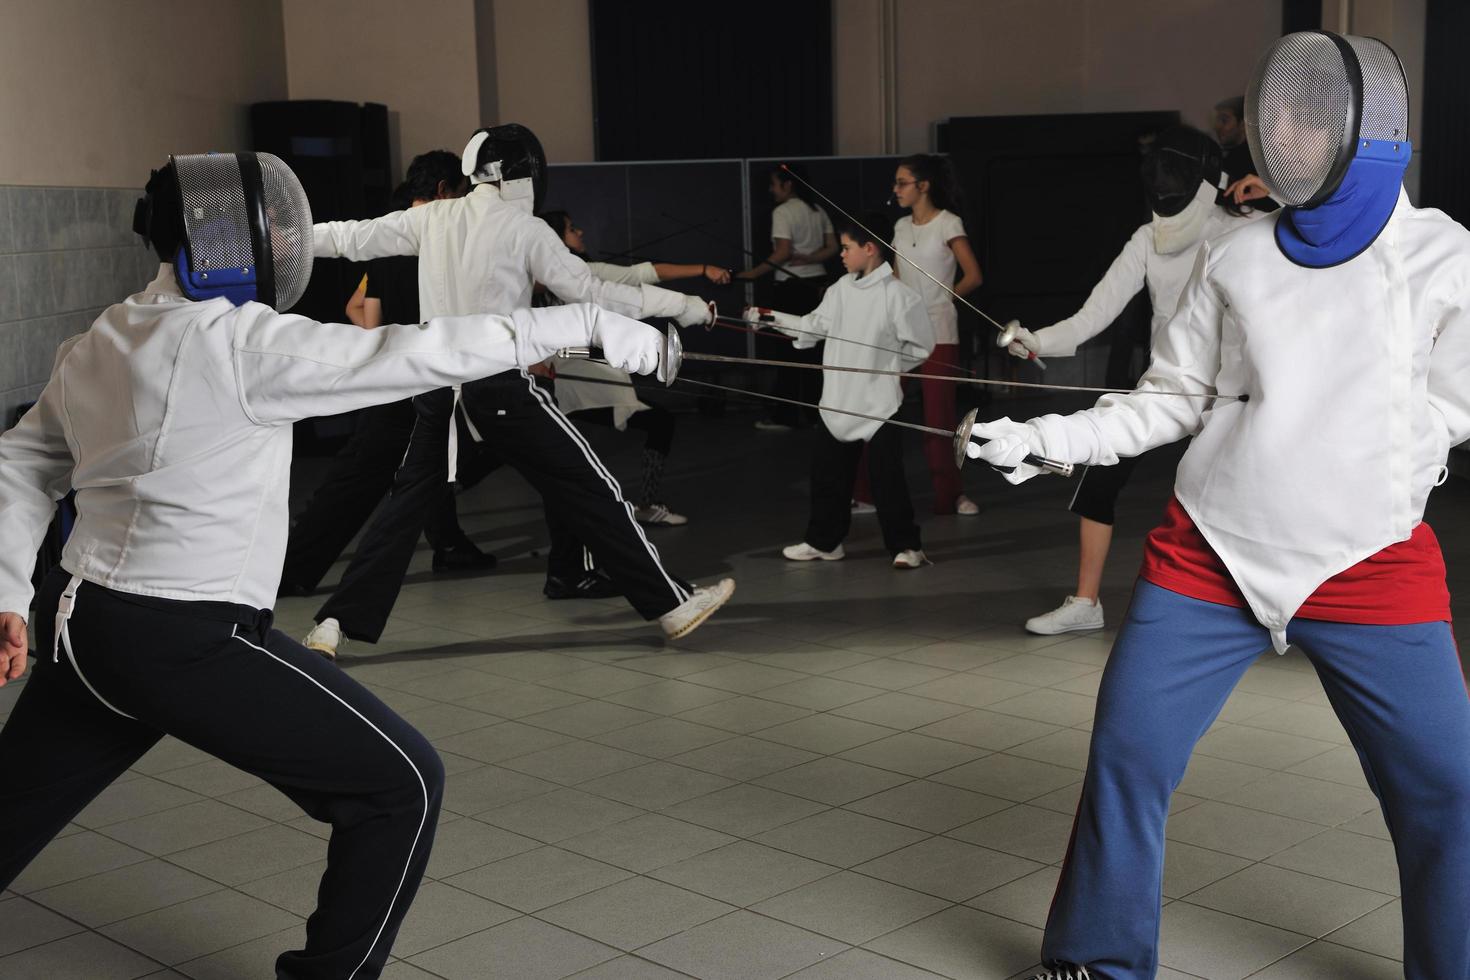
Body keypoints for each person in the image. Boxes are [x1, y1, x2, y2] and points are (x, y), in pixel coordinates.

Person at [0, 153, 668, 979]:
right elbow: (412, 352)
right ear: (232, 244)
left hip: (83, 625)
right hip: (184, 639)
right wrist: (583, 325)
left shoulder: (102, 336)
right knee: (402, 786)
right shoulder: (236, 343)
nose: (288, 240)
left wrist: (6, 594)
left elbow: (20, 461)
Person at [966, 34, 1470, 980]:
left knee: (1449, 788)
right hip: (1213, 552)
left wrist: (1387, 464)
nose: (1284, 133)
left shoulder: (1447, 257)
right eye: (1279, 116)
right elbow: (1171, 396)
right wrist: (1045, 439)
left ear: (1367, 133)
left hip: (1369, 558)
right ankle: (1098, 961)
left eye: (1307, 117)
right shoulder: (1233, 255)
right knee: (1128, 752)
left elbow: (1454, 405)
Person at [302, 124, 735, 658]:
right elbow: (592, 293)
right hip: (499, 386)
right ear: (523, 173)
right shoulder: (523, 228)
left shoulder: (434, 217)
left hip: (436, 389)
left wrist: (278, 237)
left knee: (404, 505)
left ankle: (333, 626)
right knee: (589, 487)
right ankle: (672, 606)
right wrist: (683, 307)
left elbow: (347, 238)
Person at [1001, 125, 1261, 635]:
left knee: (1232, 492)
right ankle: (1086, 602)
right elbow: (1092, 315)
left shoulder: (1247, 227)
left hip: (1231, 391)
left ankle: (1253, 610)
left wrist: (1275, 194)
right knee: (1100, 475)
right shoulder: (1148, 239)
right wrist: (1036, 340)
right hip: (1167, 385)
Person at [280, 152, 492, 598]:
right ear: (442, 192)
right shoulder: (442, 239)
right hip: (424, 374)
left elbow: (369, 313)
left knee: (411, 467)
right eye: (460, 193)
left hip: (397, 372)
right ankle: (294, 570)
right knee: (372, 474)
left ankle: (449, 545)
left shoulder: (388, 236)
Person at [755, 213, 935, 569]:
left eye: (847, 248)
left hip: (879, 405)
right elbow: (811, 328)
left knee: (888, 480)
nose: (841, 254)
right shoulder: (840, 289)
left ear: (870, 250)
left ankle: (907, 546)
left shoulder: (899, 296)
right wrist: (767, 317)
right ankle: (824, 542)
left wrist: (886, 368)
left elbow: (921, 346)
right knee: (827, 477)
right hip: (838, 401)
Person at [538, 208, 731, 529]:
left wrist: (702, 270)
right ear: (557, 239)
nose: (580, 232)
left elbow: (644, 274)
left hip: (571, 381)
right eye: (572, 229)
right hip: (563, 381)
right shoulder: (569, 275)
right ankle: (644, 505)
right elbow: (642, 278)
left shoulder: (582, 271)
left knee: (504, 447)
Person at [885, 153, 983, 516]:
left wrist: (942, 298)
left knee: (939, 419)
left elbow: (973, 275)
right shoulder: (899, 227)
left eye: (902, 183)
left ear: (923, 186)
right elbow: (895, 277)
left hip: (939, 330)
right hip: (902, 332)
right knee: (881, 410)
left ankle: (951, 495)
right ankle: (868, 493)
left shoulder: (948, 223)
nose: (896, 190)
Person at [738, 163, 837, 430]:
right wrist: (811, 258)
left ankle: (787, 416)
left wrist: (753, 273)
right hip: (817, 286)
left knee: (789, 353)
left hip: (791, 289)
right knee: (815, 353)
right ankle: (818, 416)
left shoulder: (783, 211)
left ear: (788, 184)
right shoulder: (818, 209)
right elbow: (833, 248)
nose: (771, 190)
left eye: (774, 184)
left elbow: (782, 252)